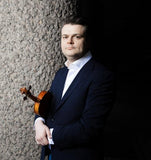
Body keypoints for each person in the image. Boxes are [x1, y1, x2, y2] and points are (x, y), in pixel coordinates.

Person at [34, 15, 114, 160]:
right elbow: (47, 106)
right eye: (65, 37)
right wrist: (38, 122)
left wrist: (50, 135)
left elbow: (90, 128)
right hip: (52, 155)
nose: (69, 42)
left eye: (76, 36)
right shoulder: (61, 73)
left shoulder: (101, 76)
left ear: (88, 40)